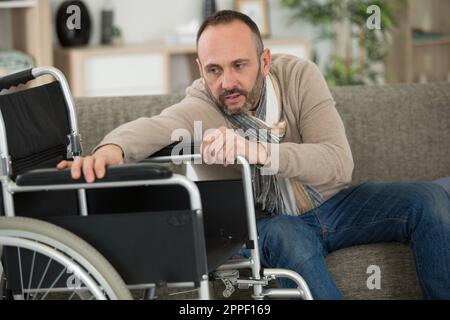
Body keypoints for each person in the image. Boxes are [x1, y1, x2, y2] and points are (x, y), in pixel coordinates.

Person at [57, 10, 450, 299]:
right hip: (276, 223)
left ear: (264, 61)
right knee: (283, 236)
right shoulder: (204, 103)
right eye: (213, 70)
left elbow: (337, 163)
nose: (226, 81)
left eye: (238, 65)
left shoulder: (299, 77)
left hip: (334, 206)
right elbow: (152, 127)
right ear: (200, 68)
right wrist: (108, 150)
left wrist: (259, 152)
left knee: (430, 200)